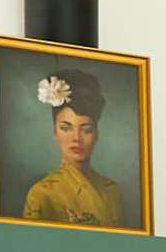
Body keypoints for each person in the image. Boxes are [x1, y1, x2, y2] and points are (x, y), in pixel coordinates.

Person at [17, 66, 130, 227]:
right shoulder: (42, 193)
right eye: (66, 128)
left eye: (86, 129)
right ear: (55, 132)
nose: (76, 138)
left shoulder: (112, 190)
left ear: (96, 134)